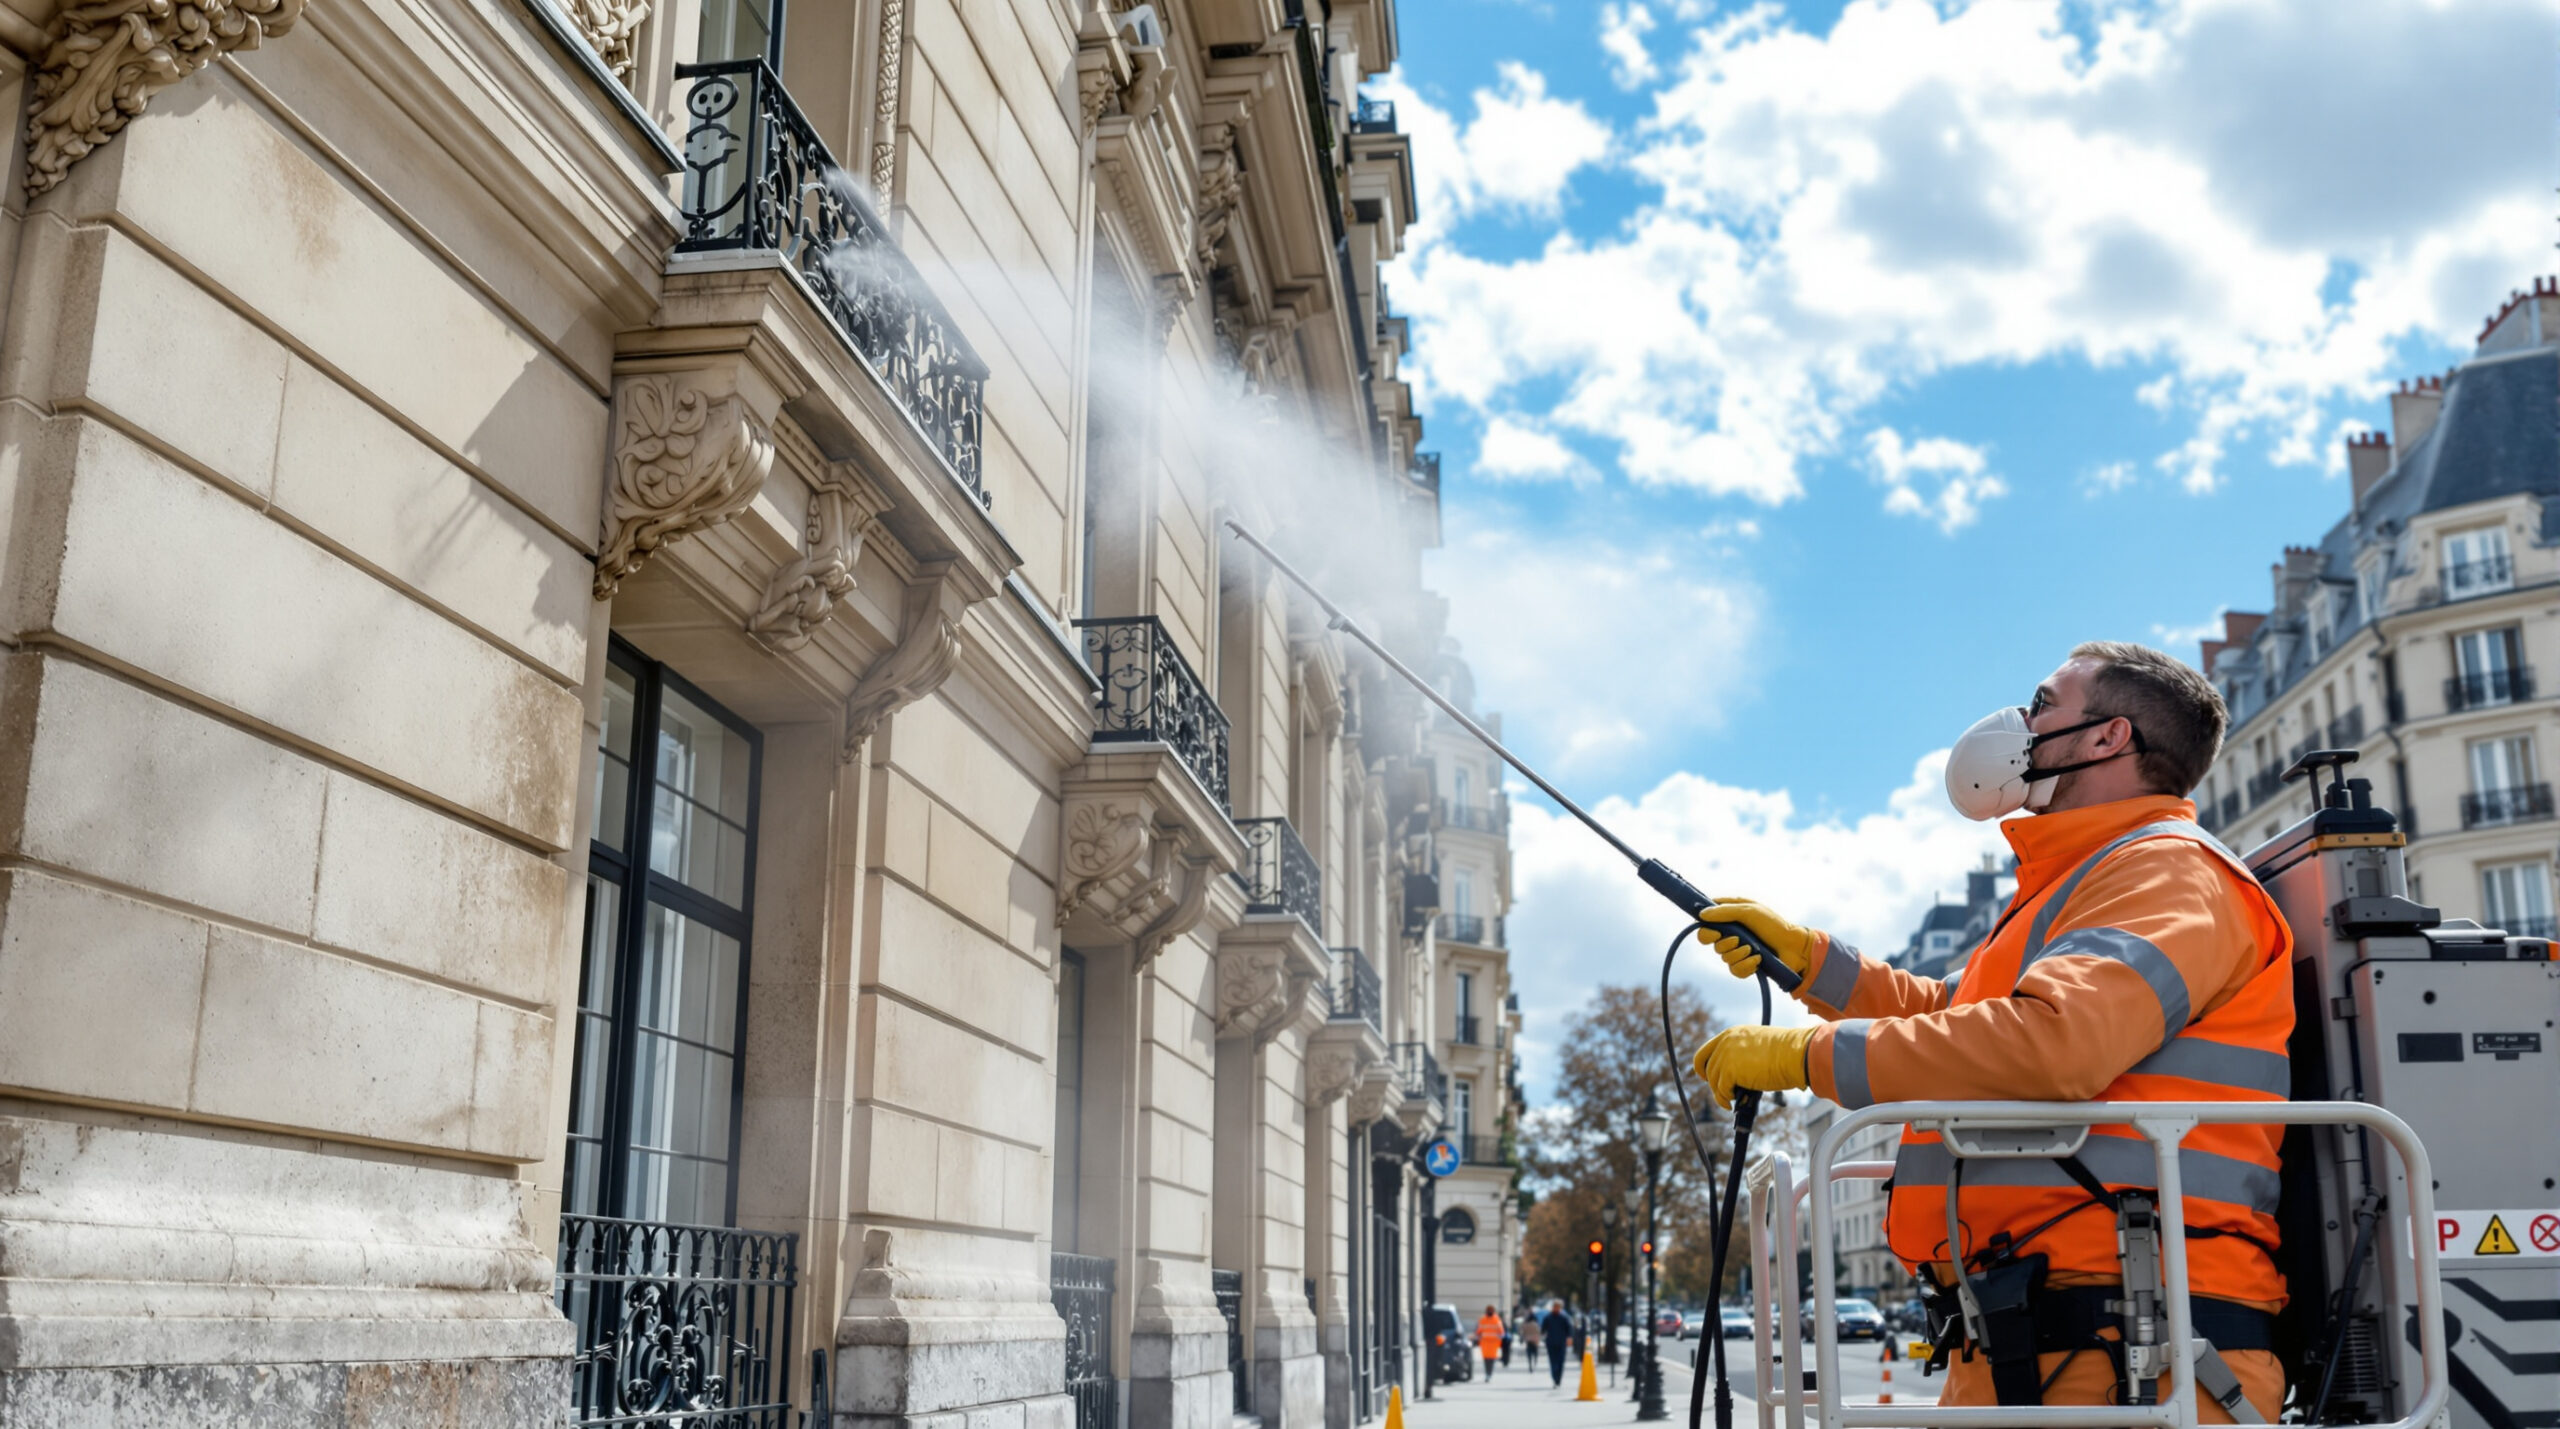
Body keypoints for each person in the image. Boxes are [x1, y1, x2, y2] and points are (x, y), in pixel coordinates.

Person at [1689, 643, 2291, 1422]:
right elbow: (1957, 1009)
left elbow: (2051, 1041)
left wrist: (1805, 1057)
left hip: (2139, 1345)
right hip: (2053, 1335)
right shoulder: (2090, 878)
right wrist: (1809, 962)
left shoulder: (2169, 872)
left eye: (2043, 702)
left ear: (2109, 737)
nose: (2022, 719)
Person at [1540, 1299, 1575, 1386]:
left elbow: (1569, 1329)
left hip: (1561, 1343)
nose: (1556, 1308)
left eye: (1558, 1307)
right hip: (1551, 1342)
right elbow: (1543, 1329)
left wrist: (1569, 1338)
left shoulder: (1564, 1318)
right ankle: (1554, 1378)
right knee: (1553, 1362)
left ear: (1560, 1308)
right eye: (1555, 1307)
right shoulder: (1548, 1318)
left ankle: (1558, 1379)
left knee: (1561, 1361)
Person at [1477, 1305, 1505, 1376]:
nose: (1489, 1311)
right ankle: (1487, 1373)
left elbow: (1501, 1332)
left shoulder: (1497, 1320)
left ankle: (1489, 1373)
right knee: (1486, 1359)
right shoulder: (1483, 1320)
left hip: (1493, 1344)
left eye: (1491, 1310)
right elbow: (1479, 1331)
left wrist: (1500, 1338)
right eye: (1488, 1310)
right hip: (1485, 1343)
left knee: (1491, 1359)